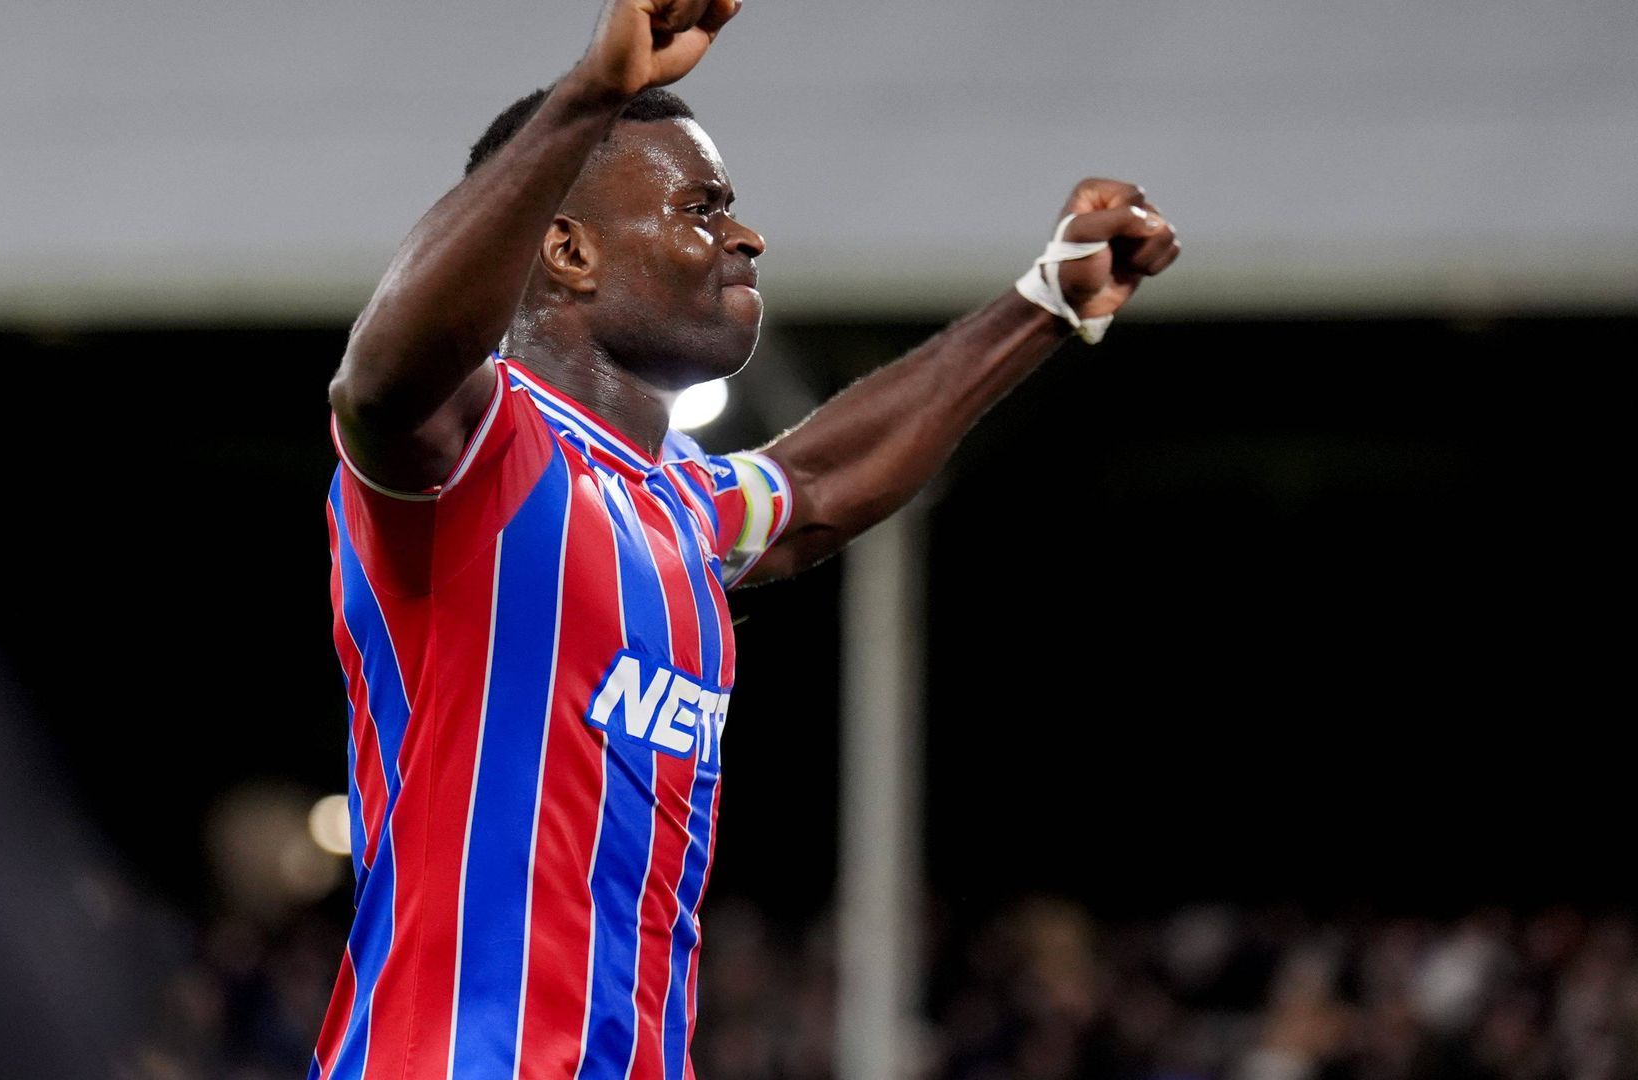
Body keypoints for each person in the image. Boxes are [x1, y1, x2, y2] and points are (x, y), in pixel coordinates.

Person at [312, 1, 1180, 1077]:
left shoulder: (672, 505)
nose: (746, 234)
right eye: (703, 205)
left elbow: (817, 481)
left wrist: (1045, 301)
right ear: (570, 251)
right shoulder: (475, 457)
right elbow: (380, 382)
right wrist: (594, 92)